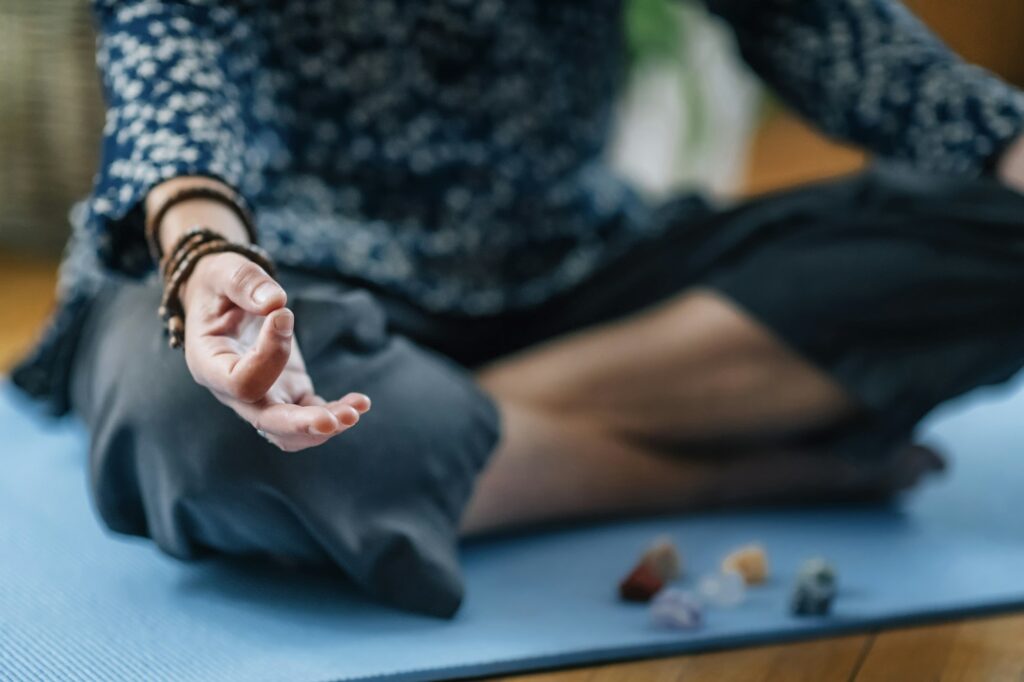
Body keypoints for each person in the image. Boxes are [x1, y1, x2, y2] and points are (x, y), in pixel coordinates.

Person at [14, 0, 1024, 615]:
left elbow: (806, 17)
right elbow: (173, 34)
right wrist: (203, 243)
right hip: (286, 278)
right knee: (187, 412)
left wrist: (1005, 143)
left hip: (579, 267)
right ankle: (722, 466)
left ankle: (411, 441)